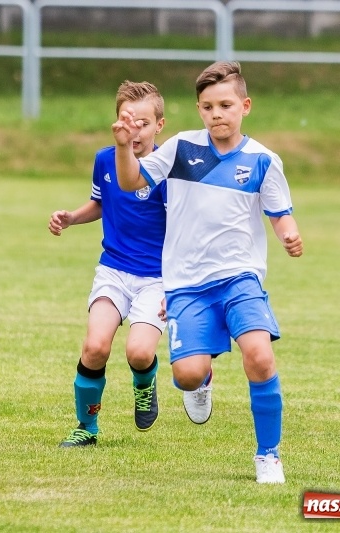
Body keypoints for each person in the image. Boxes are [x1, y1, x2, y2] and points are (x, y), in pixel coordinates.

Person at [112, 61, 303, 483]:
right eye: (207, 106)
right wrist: (125, 147)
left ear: (245, 106)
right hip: (187, 286)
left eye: (225, 105)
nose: (217, 113)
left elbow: (280, 214)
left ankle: (268, 455)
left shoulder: (263, 161)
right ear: (199, 110)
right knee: (186, 374)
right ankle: (203, 378)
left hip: (240, 279)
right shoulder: (180, 148)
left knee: (259, 355)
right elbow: (130, 183)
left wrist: (290, 235)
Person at [49, 81, 181, 447]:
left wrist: (179, 285)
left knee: (139, 352)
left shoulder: (168, 171)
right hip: (113, 270)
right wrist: (72, 217)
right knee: (95, 347)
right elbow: (101, 202)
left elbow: (184, 232)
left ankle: (144, 383)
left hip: (156, 278)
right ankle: (86, 428)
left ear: (159, 125)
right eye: (127, 120)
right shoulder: (105, 160)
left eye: (143, 122)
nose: (134, 130)